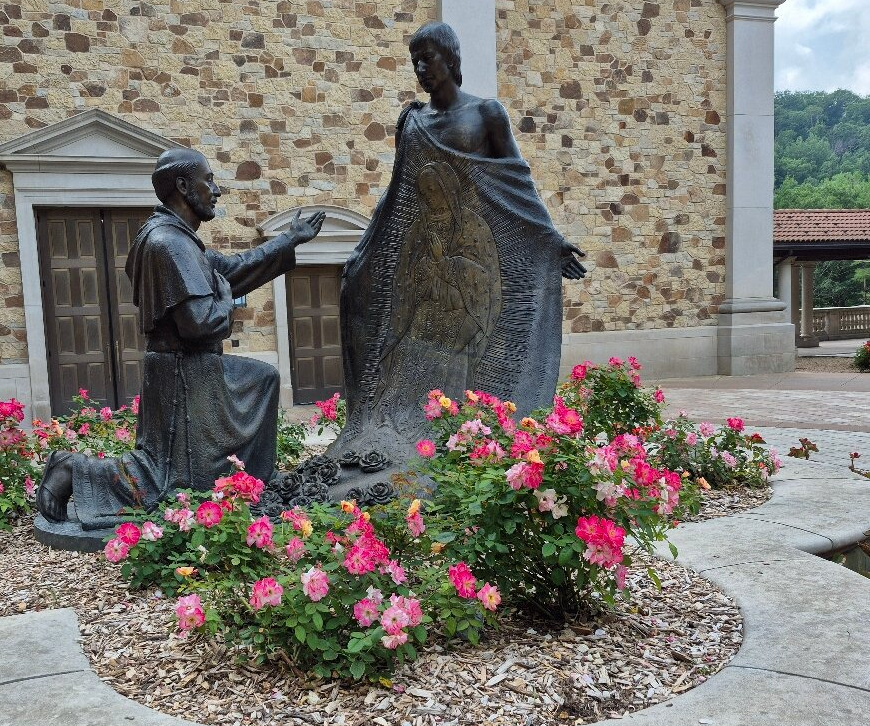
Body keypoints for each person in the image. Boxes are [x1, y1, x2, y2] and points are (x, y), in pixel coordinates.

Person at [327, 21, 587, 490]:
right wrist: (365, 251)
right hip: (423, 254)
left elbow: (516, 184)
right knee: (405, 343)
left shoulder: (486, 114)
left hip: (472, 252)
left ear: (451, 58)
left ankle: (462, 431)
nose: (421, 69)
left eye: (428, 59)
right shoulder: (412, 122)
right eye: (415, 62)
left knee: (458, 345)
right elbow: (395, 197)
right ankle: (398, 435)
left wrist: (549, 240)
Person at [37, 148, 325, 528]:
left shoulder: (180, 239)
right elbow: (200, 322)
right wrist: (224, 299)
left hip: (185, 367)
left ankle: (252, 483)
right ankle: (72, 469)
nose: (217, 191)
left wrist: (289, 240)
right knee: (163, 480)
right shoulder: (167, 243)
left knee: (257, 385)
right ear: (183, 186)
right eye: (209, 180)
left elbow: (232, 269)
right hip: (183, 372)